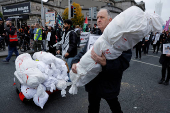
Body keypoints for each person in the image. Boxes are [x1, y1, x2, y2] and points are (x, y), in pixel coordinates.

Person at [71, 9, 132, 113]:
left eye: (102, 17)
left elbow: (124, 63)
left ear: (110, 20)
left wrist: (106, 63)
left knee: (115, 108)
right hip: (93, 82)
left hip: (109, 82)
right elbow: (83, 52)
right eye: (97, 17)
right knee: (93, 107)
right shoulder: (94, 35)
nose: (98, 20)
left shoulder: (121, 38)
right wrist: (75, 62)